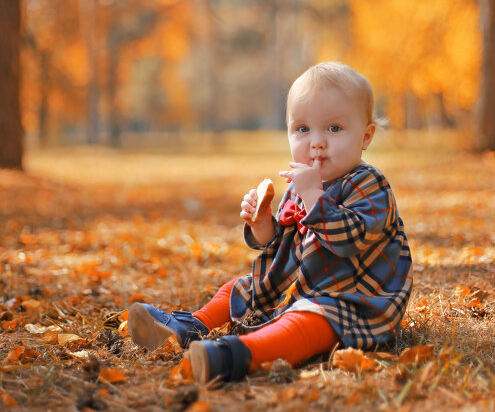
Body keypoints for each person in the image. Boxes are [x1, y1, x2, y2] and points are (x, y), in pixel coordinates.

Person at [128, 62, 413, 384]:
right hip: (301, 285)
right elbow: (281, 246)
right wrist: (263, 224)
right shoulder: (299, 184)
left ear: (366, 136)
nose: (316, 142)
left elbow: (350, 239)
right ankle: (190, 325)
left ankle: (241, 354)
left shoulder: (369, 184)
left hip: (352, 298)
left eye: (334, 128)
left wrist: (313, 196)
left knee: (311, 320)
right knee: (241, 286)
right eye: (303, 129)